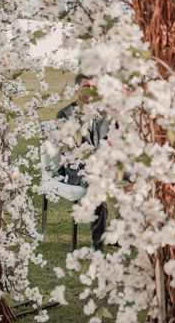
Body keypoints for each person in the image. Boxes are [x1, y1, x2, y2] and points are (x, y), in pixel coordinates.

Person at [56, 74, 110, 250]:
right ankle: (98, 244)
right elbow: (68, 148)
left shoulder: (106, 113)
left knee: (133, 180)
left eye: (94, 86)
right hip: (77, 166)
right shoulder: (64, 114)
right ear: (76, 88)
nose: (91, 90)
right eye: (87, 86)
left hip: (104, 165)